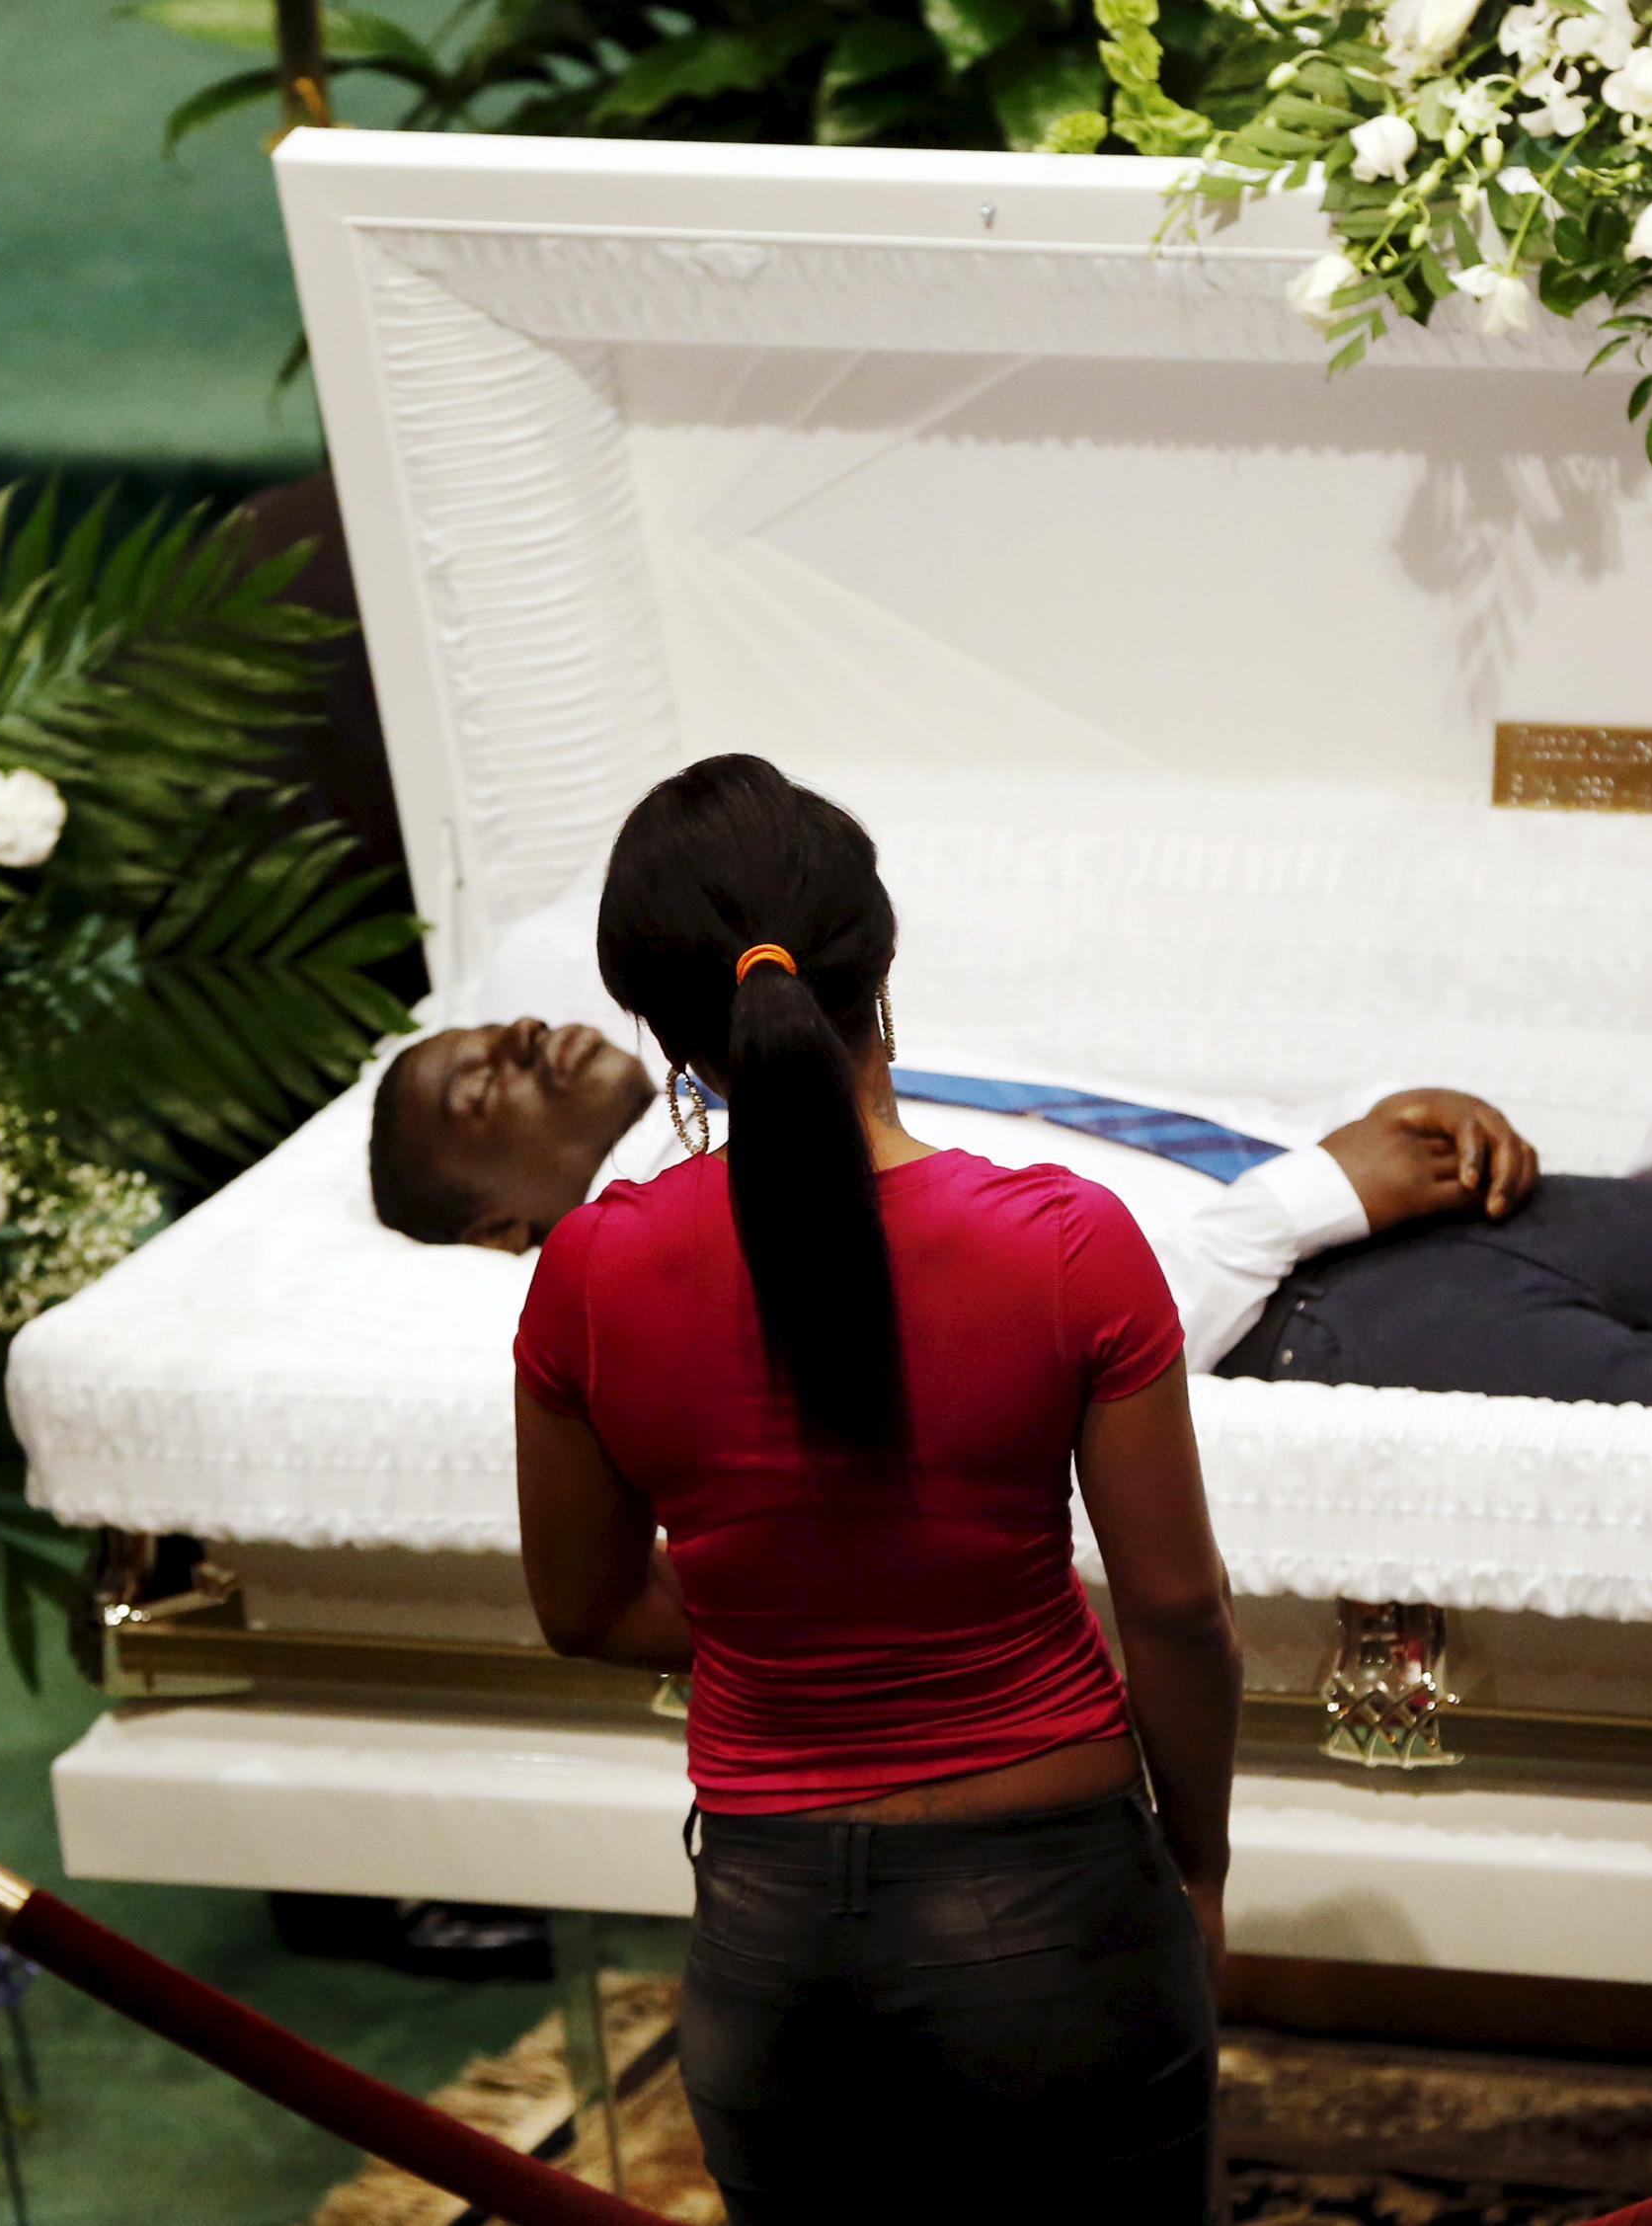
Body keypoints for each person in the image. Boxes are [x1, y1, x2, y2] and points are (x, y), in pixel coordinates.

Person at [512, 755, 1239, 2225]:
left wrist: (787, 1624)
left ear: (665, 1032)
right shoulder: (1068, 1242)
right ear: (880, 962)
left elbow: (583, 1606)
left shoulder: (591, 1270)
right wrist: (1201, 1861)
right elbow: (1175, 1608)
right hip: (1064, 1915)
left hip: (776, 1943)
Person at [380, 1017, 1652, 1450]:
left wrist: (1377, 1125)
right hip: (1330, 1330)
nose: (516, 1044)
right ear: (503, 1231)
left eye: (481, 1035)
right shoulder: (711, 1237)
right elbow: (1035, 1311)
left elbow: (1113, 1132)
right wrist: (1329, 1186)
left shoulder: (790, 1061)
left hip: (1421, 1215)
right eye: (478, 1094)